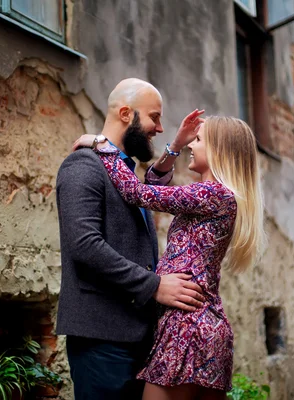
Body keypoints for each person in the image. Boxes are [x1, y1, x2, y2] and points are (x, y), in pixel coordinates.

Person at [83, 116, 266, 400]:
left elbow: (137, 192)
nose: (193, 145)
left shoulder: (210, 192)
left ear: (219, 150)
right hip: (205, 327)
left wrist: (101, 144)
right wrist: (175, 146)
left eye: (199, 140)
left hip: (186, 327)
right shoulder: (218, 196)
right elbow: (155, 185)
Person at [55, 78, 207, 400]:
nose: (160, 128)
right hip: (102, 339)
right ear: (126, 114)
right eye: (155, 117)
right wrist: (155, 285)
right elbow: (84, 245)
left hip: (136, 337)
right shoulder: (83, 165)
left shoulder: (124, 173)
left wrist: (177, 146)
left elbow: (153, 187)